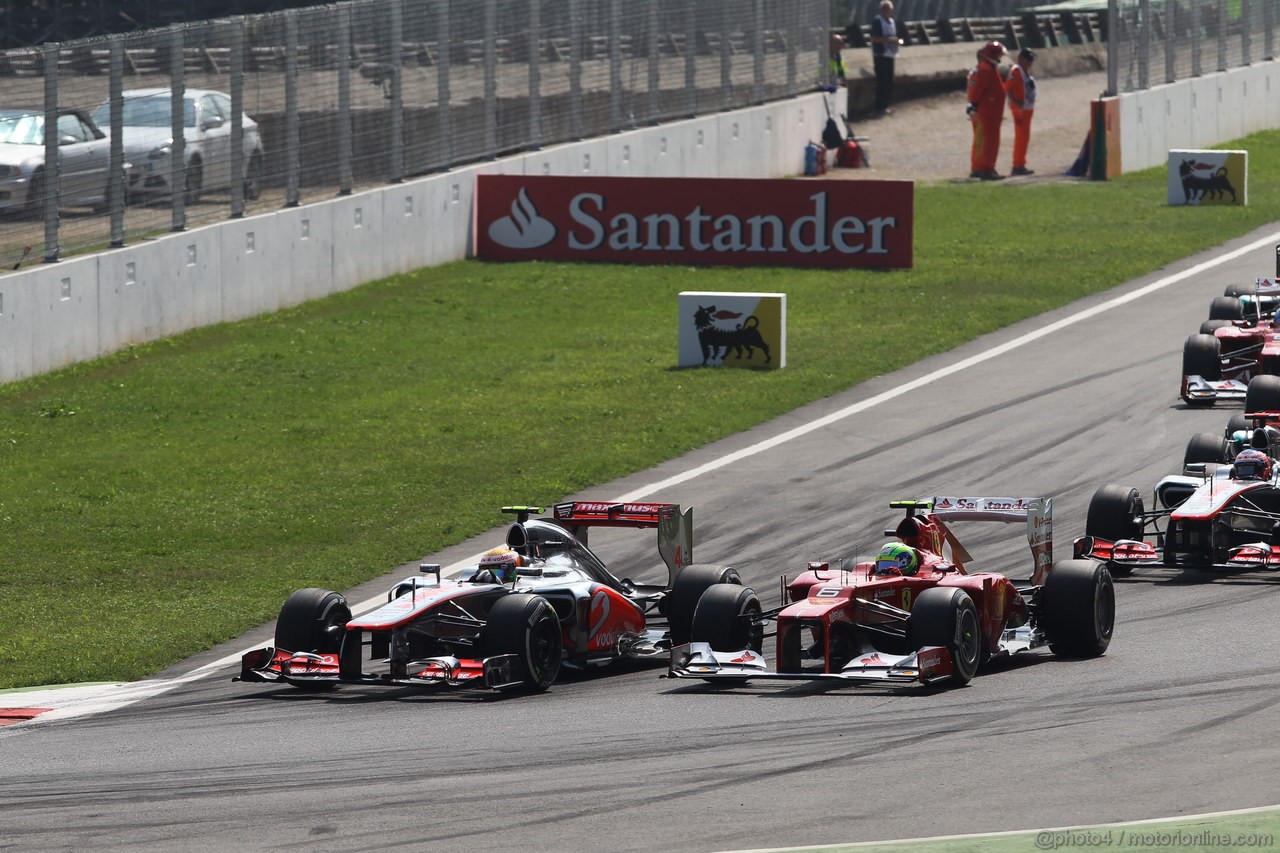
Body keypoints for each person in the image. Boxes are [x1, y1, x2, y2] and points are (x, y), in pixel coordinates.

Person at [967, 40, 1007, 180]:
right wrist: (973, 105)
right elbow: (977, 91)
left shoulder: (986, 68)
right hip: (989, 112)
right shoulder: (986, 69)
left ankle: (979, 167)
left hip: (991, 111)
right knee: (990, 141)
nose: (1000, 58)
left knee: (982, 140)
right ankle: (987, 168)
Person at [1005, 47, 1038, 176]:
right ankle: (1017, 165)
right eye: (1029, 59)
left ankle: (1020, 164)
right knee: (1021, 137)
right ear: (1021, 59)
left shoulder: (1024, 71)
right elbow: (1008, 87)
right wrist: (1015, 102)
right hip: (1020, 110)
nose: (1031, 62)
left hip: (1026, 109)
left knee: (1024, 137)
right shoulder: (1016, 71)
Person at [868, 0, 900, 116]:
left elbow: (896, 37)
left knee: (889, 81)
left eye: (890, 10)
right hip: (881, 55)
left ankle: (886, 105)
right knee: (882, 81)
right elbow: (874, 39)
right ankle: (879, 106)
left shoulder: (892, 22)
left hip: (890, 54)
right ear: (882, 10)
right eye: (886, 9)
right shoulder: (877, 21)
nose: (888, 12)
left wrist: (898, 41)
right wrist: (889, 40)